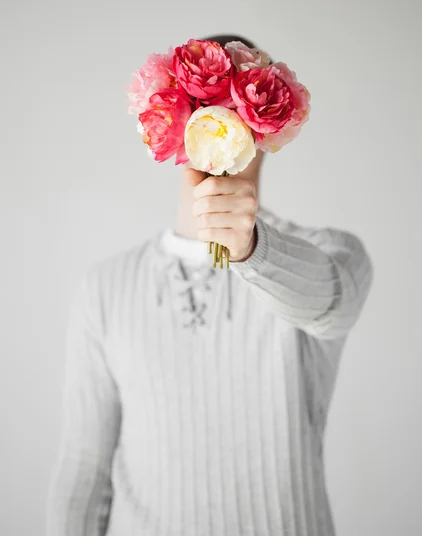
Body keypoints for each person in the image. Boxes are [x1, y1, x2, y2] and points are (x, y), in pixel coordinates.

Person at [47, 35, 373, 536]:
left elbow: (330, 304)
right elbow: (84, 470)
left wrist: (252, 249)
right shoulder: (105, 289)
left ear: (268, 129)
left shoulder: (331, 254)